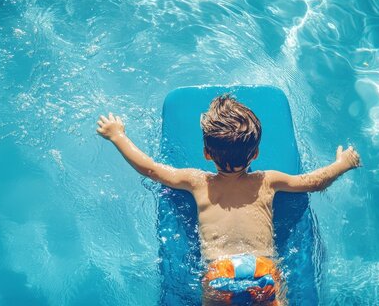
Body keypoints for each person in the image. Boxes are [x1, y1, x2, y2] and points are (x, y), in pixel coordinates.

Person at [96, 94, 361, 305]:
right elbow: (313, 183)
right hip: (263, 269)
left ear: (206, 154)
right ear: (255, 153)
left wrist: (117, 136)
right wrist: (343, 164)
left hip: (219, 272)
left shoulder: (197, 182)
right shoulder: (268, 181)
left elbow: (151, 169)